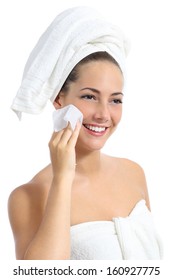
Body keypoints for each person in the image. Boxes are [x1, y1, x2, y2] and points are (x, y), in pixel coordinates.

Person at [8, 6, 162, 260]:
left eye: (115, 100)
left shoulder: (134, 172)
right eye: (89, 96)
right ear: (59, 99)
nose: (103, 114)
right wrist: (62, 178)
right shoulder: (27, 197)